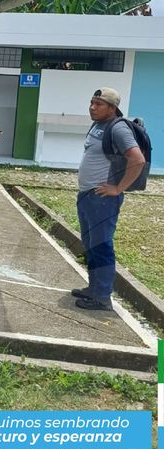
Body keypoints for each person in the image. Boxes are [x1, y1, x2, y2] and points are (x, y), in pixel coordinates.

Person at [72, 87, 145, 311]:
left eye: (99, 104)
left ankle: (102, 297)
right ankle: (93, 289)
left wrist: (118, 188)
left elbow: (137, 160)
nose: (92, 108)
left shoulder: (118, 128)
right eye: (91, 102)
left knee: (102, 246)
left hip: (102, 199)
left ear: (112, 108)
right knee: (91, 245)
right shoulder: (98, 125)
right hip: (88, 196)